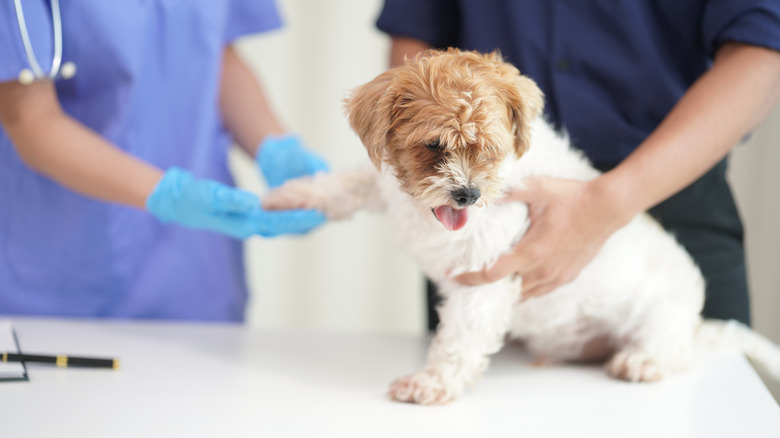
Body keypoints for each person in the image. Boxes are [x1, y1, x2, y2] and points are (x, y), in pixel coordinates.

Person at [376, 1, 780, 330]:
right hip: (481, 208)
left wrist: (605, 204)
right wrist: (422, 144)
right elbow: (417, 31)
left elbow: (763, 46)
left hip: (674, 189)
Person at [0, 0, 328, 321]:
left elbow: (214, 50)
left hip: (195, 278)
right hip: (61, 270)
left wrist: (276, 148)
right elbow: (29, 118)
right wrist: (174, 195)